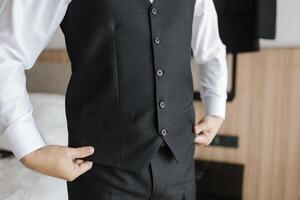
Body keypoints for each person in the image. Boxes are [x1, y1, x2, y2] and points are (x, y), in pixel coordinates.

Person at [0, 0, 228, 199]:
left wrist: (216, 106)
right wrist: (30, 149)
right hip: (102, 172)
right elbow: (6, 51)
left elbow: (211, 48)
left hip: (179, 165)